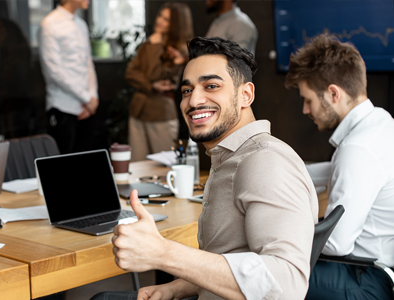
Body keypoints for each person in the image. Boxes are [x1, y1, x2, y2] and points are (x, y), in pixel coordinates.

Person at [92, 37, 318, 300]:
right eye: (187, 91)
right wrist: (179, 286)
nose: (194, 100)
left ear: (245, 95)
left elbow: (286, 286)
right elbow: (236, 257)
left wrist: (162, 253)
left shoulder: (264, 161)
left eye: (211, 86)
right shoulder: (231, 156)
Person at [285, 34, 394, 300]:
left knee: (262, 274)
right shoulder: (381, 121)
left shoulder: (356, 149)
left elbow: (335, 244)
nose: (305, 109)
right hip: (377, 268)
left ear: (334, 93)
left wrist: (278, 236)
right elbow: (336, 169)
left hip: (368, 279)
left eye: (308, 99)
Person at [126, 2, 194, 162]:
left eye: (166, 19)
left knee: (163, 165)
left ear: (176, 25)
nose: (160, 21)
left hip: (161, 112)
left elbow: (158, 75)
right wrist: (151, 85)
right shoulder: (148, 44)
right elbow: (130, 72)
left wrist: (155, 45)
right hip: (138, 110)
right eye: (160, 16)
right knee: (137, 165)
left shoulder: (180, 51)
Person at [38, 0, 99, 154]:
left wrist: (93, 97)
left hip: (87, 108)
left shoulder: (81, 24)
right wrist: (86, 98)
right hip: (62, 106)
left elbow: (88, 63)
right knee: (63, 163)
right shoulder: (49, 24)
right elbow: (54, 71)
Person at [0, 18, 35, 139]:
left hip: (18, 97)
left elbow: (18, 77)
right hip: (6, 98)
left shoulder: (18, 50)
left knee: (16, 135)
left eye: (1, 30)